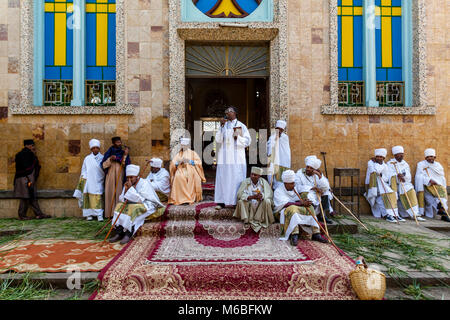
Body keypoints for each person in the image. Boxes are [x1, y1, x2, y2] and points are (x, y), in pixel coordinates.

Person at [109, 164, 165, 244]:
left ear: (137, 176)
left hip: (148, 204)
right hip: (133, 203)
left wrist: (130, 188)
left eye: (131, 177)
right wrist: (125, 190)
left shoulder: (144, 183)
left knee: (133, 209)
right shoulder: (128, 183)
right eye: (128, 177)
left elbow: (140, 199)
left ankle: (128, 233)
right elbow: (121, 199)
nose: (129, 179)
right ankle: (119, 232)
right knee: (119, 206)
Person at [273, 170, 327, 246]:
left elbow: (303, 188)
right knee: (292, 208)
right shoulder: (278, 191)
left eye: (294, 183)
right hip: (283, 211)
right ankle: (294, 234)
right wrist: (300, 203)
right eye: (291, 183)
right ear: (285, 183)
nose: (293, 185)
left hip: (296, 206)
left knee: (310, 207)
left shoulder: (294, 187)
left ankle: (316, 233)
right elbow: (284, 204)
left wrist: (313, 188)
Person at [214, 106, 251, 209]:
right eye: (226, 111)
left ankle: (236, 201)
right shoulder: (223, 126)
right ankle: (221, 201)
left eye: (229, 111)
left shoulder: (241, 126)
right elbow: (218, 140)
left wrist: (238, 138)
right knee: (223, 177)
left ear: (235, 113)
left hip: (236, 157)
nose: (227, 113)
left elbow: (248, 141)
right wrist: (221, 127)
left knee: (236, 178)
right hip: (225, 156)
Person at [13, 140, 51, 220]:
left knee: (31, 197)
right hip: (25, 179)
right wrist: (29, 179)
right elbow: (28, 167)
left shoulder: (21, 154)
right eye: (32, 145)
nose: (34, 147)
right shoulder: (28, 154)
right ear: (29, 145)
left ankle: (39, 214)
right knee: (25, 197)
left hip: (25, 178)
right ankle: (22, 215)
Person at [364, 148, 404, 222]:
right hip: (373, 185)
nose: (379, 158)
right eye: (377, 156)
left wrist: (384, 175)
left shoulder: (385, 166)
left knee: (390, 195)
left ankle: (394, 214)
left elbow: (386, 178)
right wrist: (378, 169)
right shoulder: (371, 162)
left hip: (381, 185)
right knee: (382, 198)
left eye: (381, 157)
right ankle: (388, 215)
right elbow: (374, 171)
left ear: (383, 158)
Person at [387, 146, 425, 221]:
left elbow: (408, 176)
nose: (401, 156)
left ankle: (415, 214)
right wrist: (396, 176)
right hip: (394, 185)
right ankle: (397, 215)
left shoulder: (405, 164)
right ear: (395, 155)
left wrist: (403, 176)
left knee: (411, 191)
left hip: (404, 183)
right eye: (399, 154)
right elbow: (388, 175)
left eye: (402, 154)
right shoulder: (390, 163)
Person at [295, 155, 334, 224]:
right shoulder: (300, 173)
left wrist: (319, 176)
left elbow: (326, 187)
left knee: (326, 193)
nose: (308, 169)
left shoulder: (316, 174)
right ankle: (311, 216)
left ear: (314, 169)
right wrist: (312, 188)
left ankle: (322, 216)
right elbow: (297, 186)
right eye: (307, 167)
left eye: (311, 168)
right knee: (310, 197)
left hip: (317, 193)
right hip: (306, 192)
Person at [233, 167, 274, 233]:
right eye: (251, 174)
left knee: (267, 201)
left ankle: (260, 219)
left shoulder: (263, 182)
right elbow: (239, 194)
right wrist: (251, 197)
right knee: (241, 202)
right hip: (249, 202)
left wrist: (262, 196)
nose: (252, 176)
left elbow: (269, 194)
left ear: (259, 176)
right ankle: (246, 220)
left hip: (260, 203)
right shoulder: (245, 182)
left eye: (255, 175)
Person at [73, 139, 105, 221]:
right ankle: (89, 214)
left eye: (96, 148)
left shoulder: (103, 158)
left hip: (98, 181)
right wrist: (84, 177)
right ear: (91, 149)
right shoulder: (87, 158)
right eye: (93, 148)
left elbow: (103, 170)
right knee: (87, 197)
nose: (95, 149)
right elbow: (84, 169)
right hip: (88, 181)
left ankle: (99, 214)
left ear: (99, 148)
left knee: (97, 197)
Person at [168, 138, 206, 205]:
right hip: (180, 169)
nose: (183, 147)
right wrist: (178, 163)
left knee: (189, 175)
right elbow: (173, 163)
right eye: (182, 145)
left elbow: (199, 163)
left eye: (185, 145)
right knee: (178, 176)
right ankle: (180, 198)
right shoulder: (179, 154)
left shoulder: (192, 153)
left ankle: (188, 197)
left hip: (191, 169)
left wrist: (190, 161)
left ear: (188, 145)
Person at [415, 148, 449, 222]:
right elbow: (418, 176)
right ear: (425, 158)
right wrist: (429, 180)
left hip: (438, 185)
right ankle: (430, 216)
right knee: (429, 202)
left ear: (434, 157)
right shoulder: (421, 164)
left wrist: (438, 182)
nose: (430, 158)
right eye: (428, 157)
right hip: (427, 185)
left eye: (431, 156)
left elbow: (441, 176)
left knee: (442, 199)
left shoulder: (438, 165)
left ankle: (443, 214)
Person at [101, 137, 131, 218]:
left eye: (120, 142)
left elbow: (126, 164)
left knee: (119, 192)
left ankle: (118, 214)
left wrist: (125, 155)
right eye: (117, 142)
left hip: (119, 175)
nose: (119, 144)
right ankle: (109, 214)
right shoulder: (109, 152)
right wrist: (110, 159)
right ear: (114, 143)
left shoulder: (122, 152)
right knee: (110, 192)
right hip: (110, 175)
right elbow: (103, 165)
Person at [267, 120, 291, 190]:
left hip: (282, 161)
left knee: (280, 179)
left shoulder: (285, 137)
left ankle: (280, 190)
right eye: (277, 128)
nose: (279, 130)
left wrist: (278, 138)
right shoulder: (272, 137)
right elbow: (269, 147)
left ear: (283, 130)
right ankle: (272, 189)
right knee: (272, 177)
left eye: (281, 129)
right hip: (273, 160)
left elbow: (285, 150)